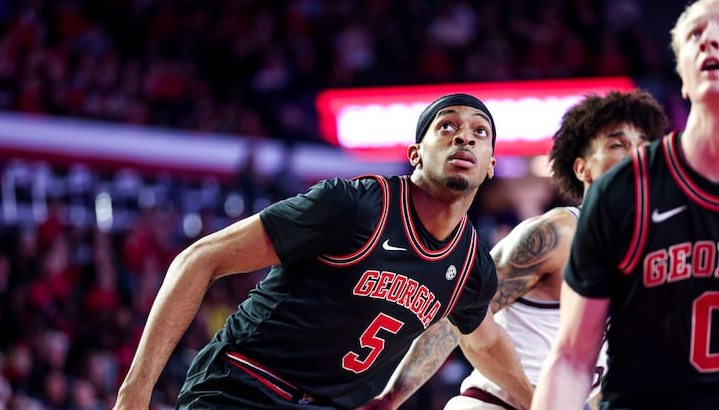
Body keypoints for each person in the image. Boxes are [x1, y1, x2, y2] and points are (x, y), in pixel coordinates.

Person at [113, 93, 532, 409]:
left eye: (480, 132)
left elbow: (485, 341)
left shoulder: (470, 266)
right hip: (245, 386)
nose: (464, 136)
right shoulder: (353, 206)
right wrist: (136, 388)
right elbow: (199, 259)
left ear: (491, 163)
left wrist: (539, 402)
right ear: (415, 154)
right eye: (447, 126)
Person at [532, 0, 719, 410]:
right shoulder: (624, 191)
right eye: (695, 34)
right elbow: (571, 359)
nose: (710, 39)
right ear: (683, 77)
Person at [363, 90, 668, 410]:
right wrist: (392, 397)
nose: (635, 156)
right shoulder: (555, 234)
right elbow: (458, 320)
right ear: (583, 169)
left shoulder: (645, 260)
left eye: (644, 147)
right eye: (618, 145)